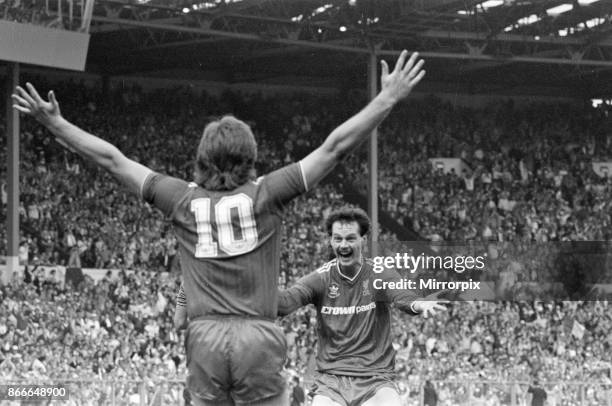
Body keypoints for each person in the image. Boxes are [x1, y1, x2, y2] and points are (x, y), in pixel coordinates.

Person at [12, 50, 425, 406]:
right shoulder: (268, 192)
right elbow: (334, 148)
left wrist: (55, 124)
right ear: (251, 157)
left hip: (205, 336)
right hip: (257, 336)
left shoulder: (180, 198)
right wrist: (387, 97)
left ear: (202, 158)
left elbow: (113, 160)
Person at [277, 207, 447, 406]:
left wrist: (419, 303)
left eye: (350, 238)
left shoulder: (379, 273)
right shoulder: (321, 278)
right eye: (337, 239)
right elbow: (286, 303)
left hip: (375, 380)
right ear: (331, 241)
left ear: (363, 241)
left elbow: (402, 296)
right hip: (331, 381)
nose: (343, 245)